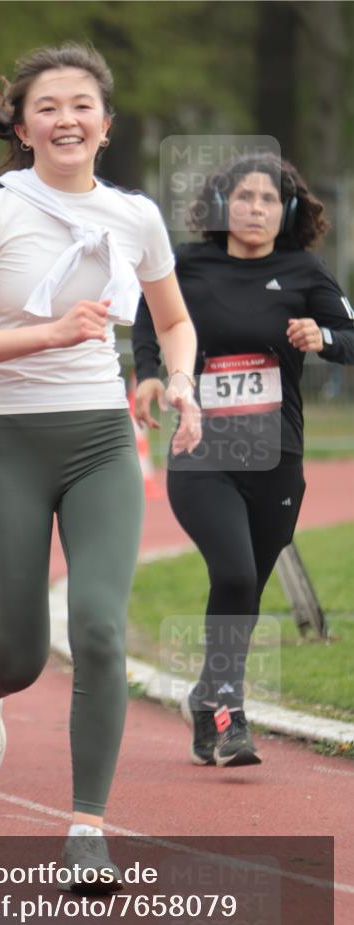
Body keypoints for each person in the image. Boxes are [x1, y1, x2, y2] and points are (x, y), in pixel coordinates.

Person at [0, 43, 201, 890]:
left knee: (101, 632)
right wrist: (43, 332)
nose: (66, 118)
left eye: (82, 104)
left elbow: (175, 321)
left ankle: (87, 825)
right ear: (21, 123)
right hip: (3, 442)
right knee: (18, 654)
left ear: (105, 126)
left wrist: (179, 381)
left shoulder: (136, 216)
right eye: (47, 105)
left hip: (99, 444)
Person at [133, 154, 354, 768]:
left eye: (267, 199)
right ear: (221, 204)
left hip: (277, 456)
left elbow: (352, 340)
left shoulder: (304, 270)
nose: (255, 208)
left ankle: (207, 696)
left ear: (283, 212)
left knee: (248, 584)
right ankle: (231, 714)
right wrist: (148, 377)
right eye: (244, 196)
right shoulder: (186, 263)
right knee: (232, 574)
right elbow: (149, 318)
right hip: (202, 451)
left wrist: (324, 338)